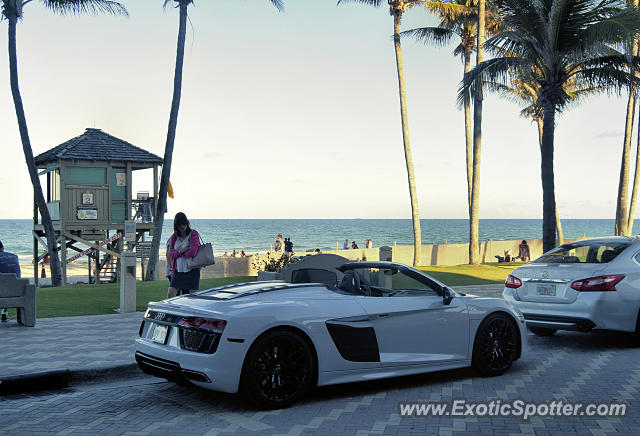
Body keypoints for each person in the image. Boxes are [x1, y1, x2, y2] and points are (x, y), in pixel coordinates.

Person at [166, 212, 201, 298]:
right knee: (171, 294)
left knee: (193, 297)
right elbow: (170, 254)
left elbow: (193, 252)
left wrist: (177, 253)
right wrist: (181, 251)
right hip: (178, 270)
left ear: (187, 223)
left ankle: (192, 311)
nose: (183, 226)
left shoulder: (193, 234)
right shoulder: (174, 236)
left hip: (192, 268)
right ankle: (170, 310)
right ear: (176, 225)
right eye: (180, 224)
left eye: (184, 224)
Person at [0, 240, 21, 322]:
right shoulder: (14, 257)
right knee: (8, 284)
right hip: (14, 293)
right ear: (2, 248)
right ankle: (5, 312)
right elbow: (18, 275)